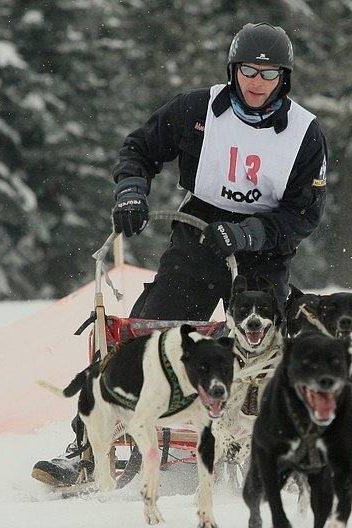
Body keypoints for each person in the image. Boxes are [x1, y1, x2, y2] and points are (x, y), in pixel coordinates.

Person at [31, 22, 328, 487]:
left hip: (263, 250)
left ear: (284, 80)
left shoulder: (305, 133)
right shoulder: (196, 109)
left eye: (270, 75)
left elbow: (305, 213)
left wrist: (250, 234)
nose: (257, 83)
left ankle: (280, 452)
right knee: (145, 339)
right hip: (199, 234)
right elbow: (139, 148)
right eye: (249, 71)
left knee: (264, 352)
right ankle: (89, 450)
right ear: (233, 70)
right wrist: (131, 190)